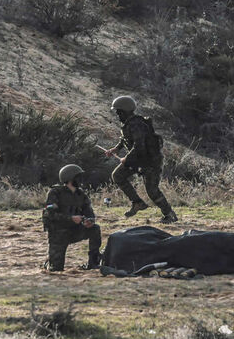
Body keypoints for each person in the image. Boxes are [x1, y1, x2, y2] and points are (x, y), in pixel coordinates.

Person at [105, 95, 177, 224]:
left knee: (152, 191)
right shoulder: (128, 124)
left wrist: (126, 158)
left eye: (119, 111)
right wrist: (115, 149)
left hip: (150, 162)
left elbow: (139, 146)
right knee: (117, 175)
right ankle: (137, 203)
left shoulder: (136, 124)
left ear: (125, 111)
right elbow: (125, 140)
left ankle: (169, 214)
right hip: (138, 159)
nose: (117, 114)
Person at [41, 164, 101, 272]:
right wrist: (70, 218)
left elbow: (89, 213)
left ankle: (93, 262)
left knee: (95, 229)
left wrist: (89, 221)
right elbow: (49, 215)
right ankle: (49, 261)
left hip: (75, 231)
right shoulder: (55, 193)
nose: (81, 180)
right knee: (56, 269)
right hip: (58, 234)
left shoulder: (81, 194)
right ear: (69, 179)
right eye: (78, 177)